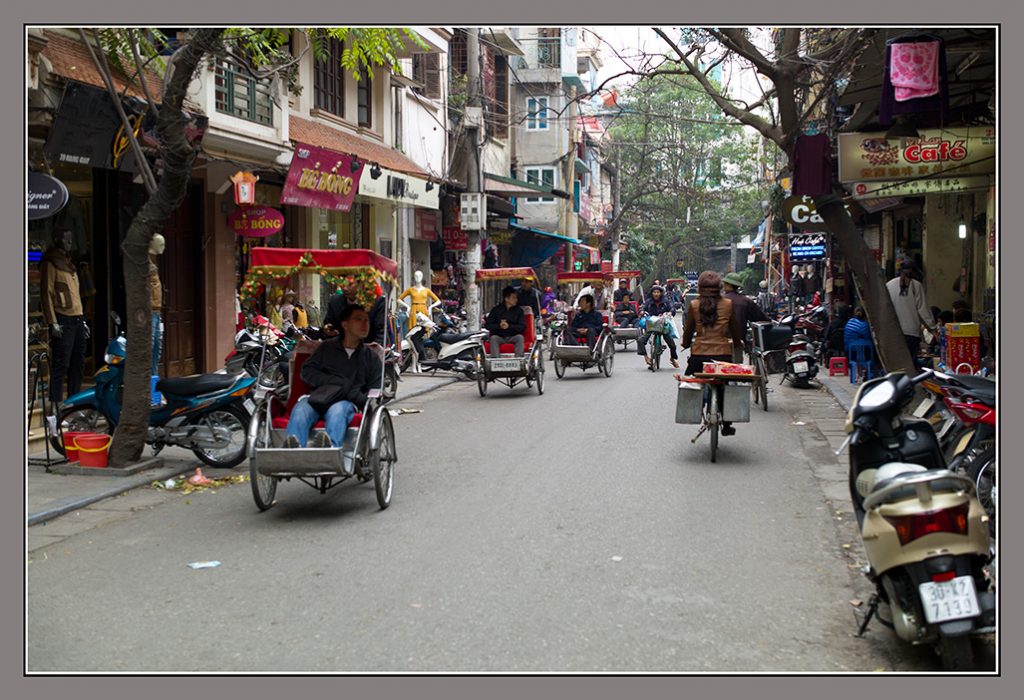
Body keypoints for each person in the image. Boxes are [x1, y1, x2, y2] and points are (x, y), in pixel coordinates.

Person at [283, 304, 382, 449]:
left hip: (346, 402)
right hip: (319, 397)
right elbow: (307, 371)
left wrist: (351, 392)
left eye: (367, 320)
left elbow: (375, 391)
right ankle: (293, 450)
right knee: (300, 410)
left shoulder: (370, 357)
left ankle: (329, 449)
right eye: (359, 319)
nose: (365, 324)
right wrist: (334, 382)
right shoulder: (327, 348)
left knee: (338, 412)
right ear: (345, 325)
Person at [681, 271, 745, 436]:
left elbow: (688, 330)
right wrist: (738, 344)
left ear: (699, 287)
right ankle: (727, 424)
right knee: (727, 385)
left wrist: (685, 344)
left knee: (692, 383)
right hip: (723, 357)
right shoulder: (728, 304)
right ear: (720, 287)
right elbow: (735, 330)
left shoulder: (694, 304)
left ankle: (698, 406)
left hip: (698, 357)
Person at [41, 228, 89, 407]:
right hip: (63, 319)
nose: (70, 242)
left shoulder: (70, 264)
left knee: (78, 364)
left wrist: (83, 319)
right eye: (66, 239)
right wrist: (52, 322)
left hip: (77, 318)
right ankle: (55, 407)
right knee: (61, 364)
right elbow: (46, 293)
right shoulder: (50, 263)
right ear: (57, 240)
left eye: (71, 239)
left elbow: (76, 295)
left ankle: (73, 404)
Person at [886, 260, 936, 367]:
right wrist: (933, 329)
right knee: (910, 364)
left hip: (892, 332)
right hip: (911, 333)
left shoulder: (889, 285)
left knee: (896, 365)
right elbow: (923, 311)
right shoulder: (916, 285)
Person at [721, 272, 768, 362]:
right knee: (736, 367)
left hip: (719, 343)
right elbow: (760, 317)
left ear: (727, 285)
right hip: (737, 343)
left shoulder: (719, 300)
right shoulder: (745, 301)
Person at [637, 284, 680, 368]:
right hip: (652, 325)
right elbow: (643, 307)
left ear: (661, 293)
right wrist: (642, 311)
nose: (656, 294)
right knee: (640, 341)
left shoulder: (666, 301)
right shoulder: (648, 301)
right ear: (652, 293)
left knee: (672, 345)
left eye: (658, 292)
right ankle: (646, 358)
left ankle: (672, 359)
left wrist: (670, 312)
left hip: (662, 325)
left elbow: (672, 308)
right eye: (654, 292)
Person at [485, 286, 527, 358]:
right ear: (506, 299)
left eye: (516, 298)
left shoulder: (519, 311)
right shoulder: (496, 310)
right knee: (493, 338)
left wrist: (509, 326)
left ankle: (519, 360)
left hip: (513, 336)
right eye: (513, 298)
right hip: (499, 336)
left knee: (520, 338)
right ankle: (495, 360)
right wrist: (499, 326)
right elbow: (488, 325)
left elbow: (522, 326)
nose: (516, 300)